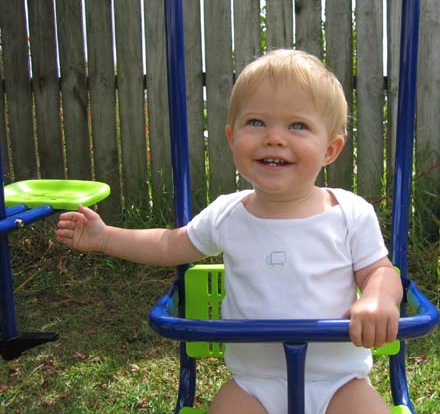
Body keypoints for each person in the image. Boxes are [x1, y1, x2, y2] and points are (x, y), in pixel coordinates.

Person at [56, 49, 403, 414]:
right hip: (254, 385)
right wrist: (106, 237)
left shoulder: (349, 212)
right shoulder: (227, 214)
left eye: (297, 126)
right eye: (256, 122)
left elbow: (379, 271)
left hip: (339, 384)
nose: (274, 138)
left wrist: (378, 298)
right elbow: (169, 244)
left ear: (330, 150)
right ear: (231, 137)